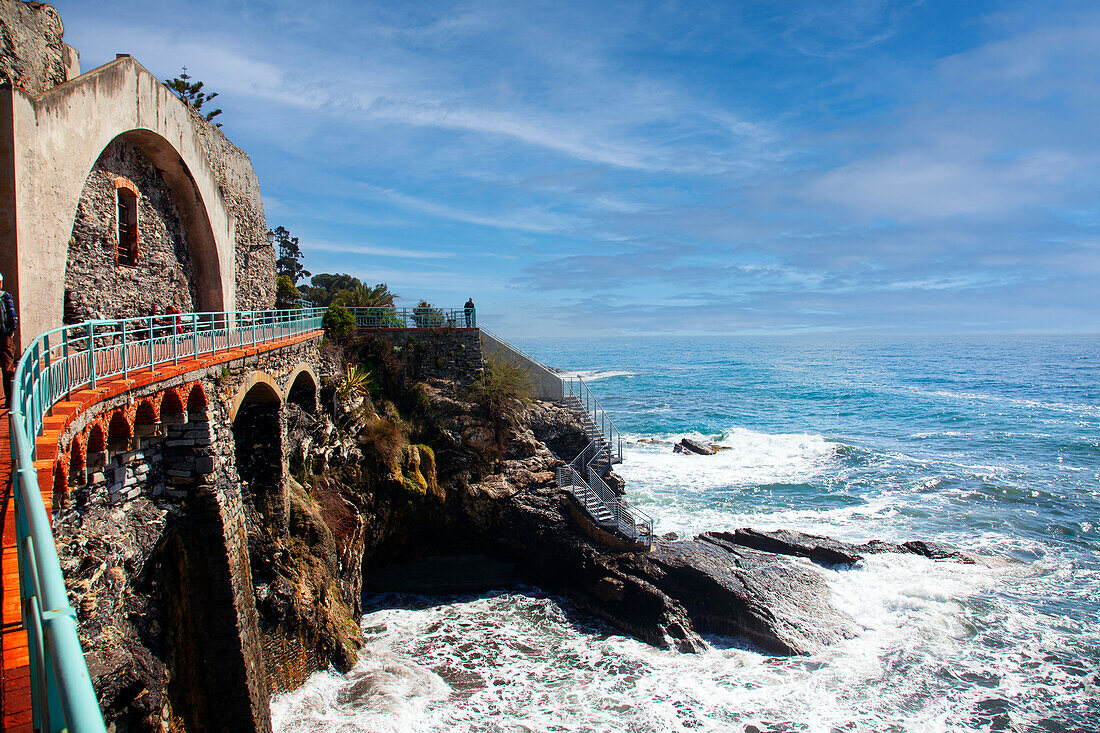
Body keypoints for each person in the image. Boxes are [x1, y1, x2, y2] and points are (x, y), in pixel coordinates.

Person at [0, 272, 18, 409]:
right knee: (8, 367)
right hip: (4, 336)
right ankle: (10, 400)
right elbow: (12, 315)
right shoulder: (5, 296)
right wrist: (12, 330)